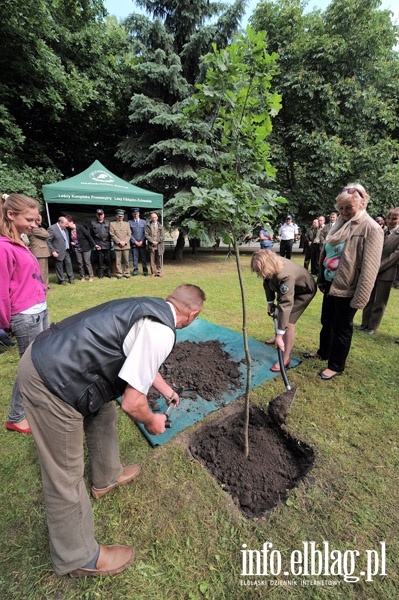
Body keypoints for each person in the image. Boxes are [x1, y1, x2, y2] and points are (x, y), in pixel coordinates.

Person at [17, 284, 206, 577]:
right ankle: (78, 556)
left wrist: (166, 389)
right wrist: (151, 421)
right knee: (65, 472)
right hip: (50, 378)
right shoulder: (163, 331)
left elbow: (139, 356)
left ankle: (107, 476)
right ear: (192, 315)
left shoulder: (150, 307)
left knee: (103, 410)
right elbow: (132, 403)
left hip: (61, 357)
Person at [303, 183, 384, 379]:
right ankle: (324, 352)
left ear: (362, 203)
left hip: (349, 288)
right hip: (332, 283)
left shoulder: (371, 228)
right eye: (341, 208)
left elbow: (370, 268)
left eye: (349, 208)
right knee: (327, 321)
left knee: (341, 327)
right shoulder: (339, 224)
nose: (344, 212)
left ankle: (336, 365)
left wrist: (360, 298)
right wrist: (322, 277)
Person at [0, 193, 49, 434]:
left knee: (41, 360)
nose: (34, 224)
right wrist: (5, 322)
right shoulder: (3, 247)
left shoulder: (20, 241)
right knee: (27, 367)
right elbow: (1, 290)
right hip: (25, 317)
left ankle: (37, 402)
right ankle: (15, 416)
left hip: (39, 309)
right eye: (29, 219)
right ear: (11, 215)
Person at [251, 250, 316, 372]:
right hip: (291, 289)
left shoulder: (286, 276)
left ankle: (285, 358)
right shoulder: (270, 267)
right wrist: (270, 302)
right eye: (255, 270)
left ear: (267, 265)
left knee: (289, 323)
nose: (258, 273)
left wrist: (281, 334)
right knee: (278, 314)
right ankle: (279, 337)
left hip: (303, 291)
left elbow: (285, 304)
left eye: (258, 270)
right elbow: (267, 282)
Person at [359, 207, 399, 334]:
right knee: (368, 297)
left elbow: (395, 256)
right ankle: (364, 323)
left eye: (394, 218)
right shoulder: (381, 231)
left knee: (379, 301)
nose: (391, 220)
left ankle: (372, 326)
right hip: (372, 270)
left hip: (387, 272)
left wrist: (378, 267)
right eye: (389, 218)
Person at [66, 216, 96, 282]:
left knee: (87, 262)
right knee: (80, 263)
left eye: (68, 223)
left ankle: (91, 276)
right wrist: (73, 243)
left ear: (72, 222)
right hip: (77, 248)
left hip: (86, 247)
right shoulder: (69, 230)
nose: (67, 225)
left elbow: (88, 236)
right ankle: (82, 276)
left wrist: (94, 245)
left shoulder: (80, 227)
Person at [47, 216, 75, 285]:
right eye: (66, 224)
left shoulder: (65, 229)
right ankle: (61, 280)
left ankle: (71, 278)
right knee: (59, 266)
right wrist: (53, 251)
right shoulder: (52, 228)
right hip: (57, 251)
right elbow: (48, 241)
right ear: (60, 223)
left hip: (66, 250)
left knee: (69, 265)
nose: (67, 225)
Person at [28, 214, 51, 289]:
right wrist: (42, 229)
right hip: (39, 252)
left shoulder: (38, 228)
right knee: (41, 271)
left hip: (42, 252)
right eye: (40, 219)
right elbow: (47, 235)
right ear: (37, 221)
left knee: (45, 270)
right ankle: (41, 286)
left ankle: (45, 285)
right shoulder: (34, 229)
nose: (41, 221)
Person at [110, 209, 131, 279]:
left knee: (126, 260)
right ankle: (119, 273)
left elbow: (129, 234)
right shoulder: (112, 224)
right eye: (119, 216)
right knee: (117, 261)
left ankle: (127, 273)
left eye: (121, 216)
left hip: (125, 245)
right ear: (116, 216)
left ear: (123, 216)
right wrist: (119, 242)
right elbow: (112, 234)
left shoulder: (127, 224)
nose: (120, 217)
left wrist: (124, 242)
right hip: (117, 245)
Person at [90, 209, 112, 278]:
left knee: (108, 259)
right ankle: (100, 274)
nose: (100, 216)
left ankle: (108, 273)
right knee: (100, 260)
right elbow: (91, 235)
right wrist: (94, 244)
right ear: (96, 215)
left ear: (104, 215)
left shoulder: (108, 222)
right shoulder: (93, 223)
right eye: (98, 214)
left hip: (107, 243)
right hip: (98, 243)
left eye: (101, 214)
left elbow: (111, 234)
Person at [129, 208, 148, 276]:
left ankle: (145, 271)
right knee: (135, 258)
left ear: (139, 214)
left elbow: (145, 233)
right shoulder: (130, 222)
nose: (135, 215)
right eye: (134, 214)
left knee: (143, 258)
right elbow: (129, 234)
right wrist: (135, 241)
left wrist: (142, 241)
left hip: (142, 243)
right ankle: (135, 271)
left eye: (136, 214)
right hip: (134, 244)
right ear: (132, 214)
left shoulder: (144, 222)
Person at [145, 212, 165, 277]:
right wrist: (152, 241)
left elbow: (163, 236)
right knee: (152, 259)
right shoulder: (148, 225)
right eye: (152, 217)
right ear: (151, 218)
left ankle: (158, 272)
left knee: (159, 259)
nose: (154, 218)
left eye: (155, 217)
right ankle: (153, 272)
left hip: (159, 245)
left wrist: (157, 241)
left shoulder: (161, 226)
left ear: (157, 218)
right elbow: (146, 235)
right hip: (151, 245)